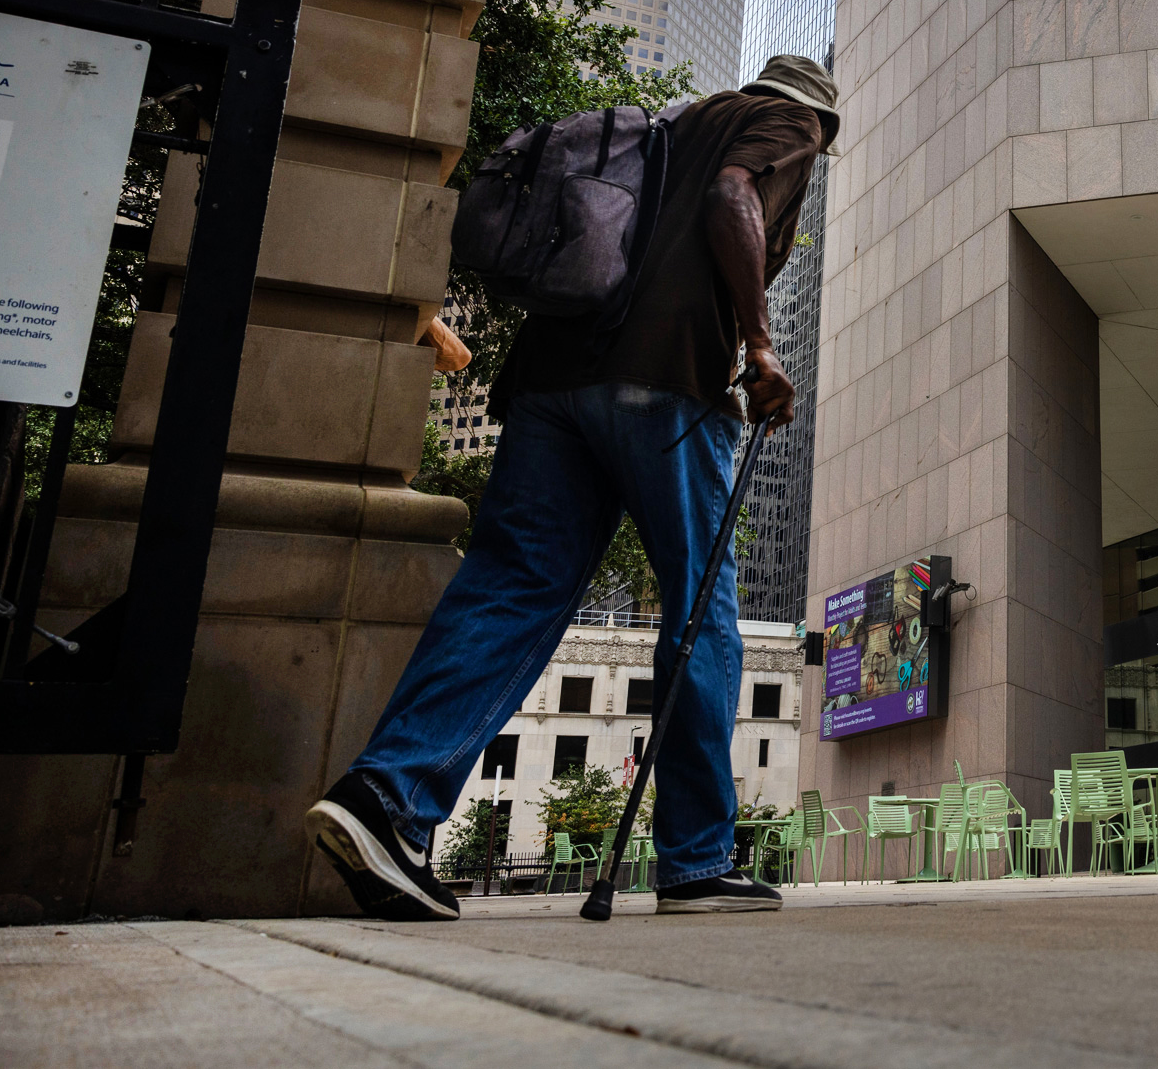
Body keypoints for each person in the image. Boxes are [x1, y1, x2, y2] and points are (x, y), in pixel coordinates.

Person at [304, 55, 842, 920]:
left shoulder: (675, 121)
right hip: (666, 378)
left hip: (553, 379)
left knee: (511, 586)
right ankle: (697, 860)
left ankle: (385, 797)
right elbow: (732, 196)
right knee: (699, 606)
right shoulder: (790, 124)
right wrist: (761, 346)